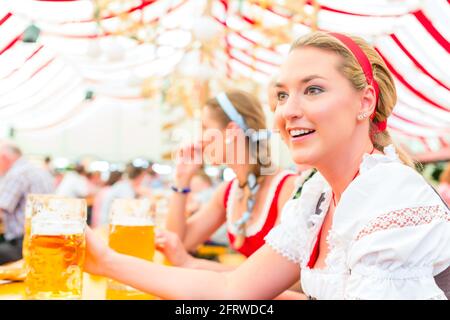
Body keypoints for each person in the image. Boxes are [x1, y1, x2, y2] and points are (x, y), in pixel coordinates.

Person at [84, 31, 449, 299]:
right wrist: (106, 262)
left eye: (314, 89)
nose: (288, 110)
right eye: (281, 95)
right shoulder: (317, 197)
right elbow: (233, 289)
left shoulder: (390, 198)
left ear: (365, 102)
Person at [162, 89, 299, 270]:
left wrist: (191, 263)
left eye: (204, 127)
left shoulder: (287, 188)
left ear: (231, 131)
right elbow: (179, 243)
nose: (199, 139)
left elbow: (281, 279)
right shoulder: (228, 192)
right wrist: (182, 179)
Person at [0, 142, 55, 264]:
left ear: (4, 157)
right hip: (45, 242)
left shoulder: (17, 173)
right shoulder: (41, 171)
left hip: (23, 244)